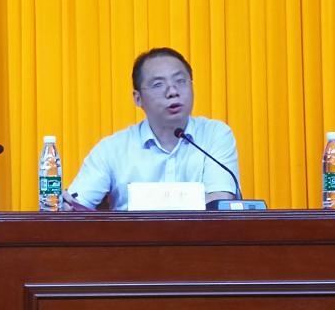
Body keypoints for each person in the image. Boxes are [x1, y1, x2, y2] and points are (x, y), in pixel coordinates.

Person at [62, 47, 239, 211]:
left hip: (200, 235)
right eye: (158, 84)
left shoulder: (215, 134)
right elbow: (75, 205)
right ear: (137, 98)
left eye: (180, 81)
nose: (173, 91)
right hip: (131, 235)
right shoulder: (112, 149)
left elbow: (220, 202)